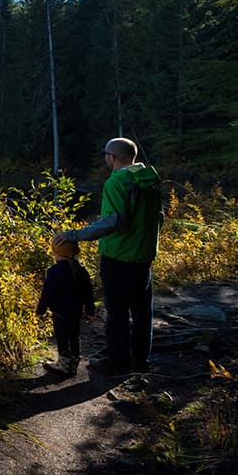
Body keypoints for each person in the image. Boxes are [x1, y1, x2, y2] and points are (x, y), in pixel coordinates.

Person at [55, 137, 163, 376]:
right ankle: (140, 360)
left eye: (106, 153)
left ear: (112, 157)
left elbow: (113, 221)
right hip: (143, 257)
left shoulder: (117, 182)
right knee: (143, 311)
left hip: (118, 257)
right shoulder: (149, 181)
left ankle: (117, 362)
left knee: (118, 312)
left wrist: (74, 234)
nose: (105, 157)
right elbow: (159, 217)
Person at [36, 236, 96, 376]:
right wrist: (90, 310)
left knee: (62, 337)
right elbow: (88, 293)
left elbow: (47, 293)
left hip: (60, 312)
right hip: (76, 312)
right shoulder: (81, 270)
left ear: (56, 252)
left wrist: (41, 309)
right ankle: (74, 362)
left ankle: (63, 364)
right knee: (74, 336)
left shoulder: (54, 271)